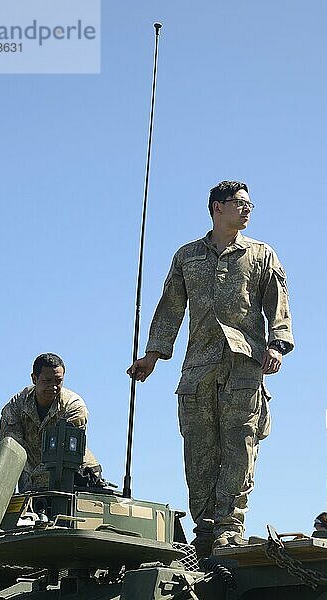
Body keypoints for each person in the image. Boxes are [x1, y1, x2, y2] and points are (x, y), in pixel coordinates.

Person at [128, 181, 294, 557]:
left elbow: (277, 303)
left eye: (250, 204)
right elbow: (170, 306)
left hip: (244, 368)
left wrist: (277, 344)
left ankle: (228, 529)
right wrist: (152, 355)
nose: (248, 210)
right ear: (217, 208)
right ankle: (204, 532)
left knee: (239, 449)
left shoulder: (261, 255)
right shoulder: (187, 256)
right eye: (240, 204)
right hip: (197, 371)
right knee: (199, 454)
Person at [0, 352, 100, 492]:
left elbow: (65, 453)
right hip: (31, 476)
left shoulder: (74, 407)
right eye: (47, 381)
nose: (53, 386)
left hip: (76, 476)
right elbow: (10, 451)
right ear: (34, 379)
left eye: (58, 381)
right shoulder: (18, 405)